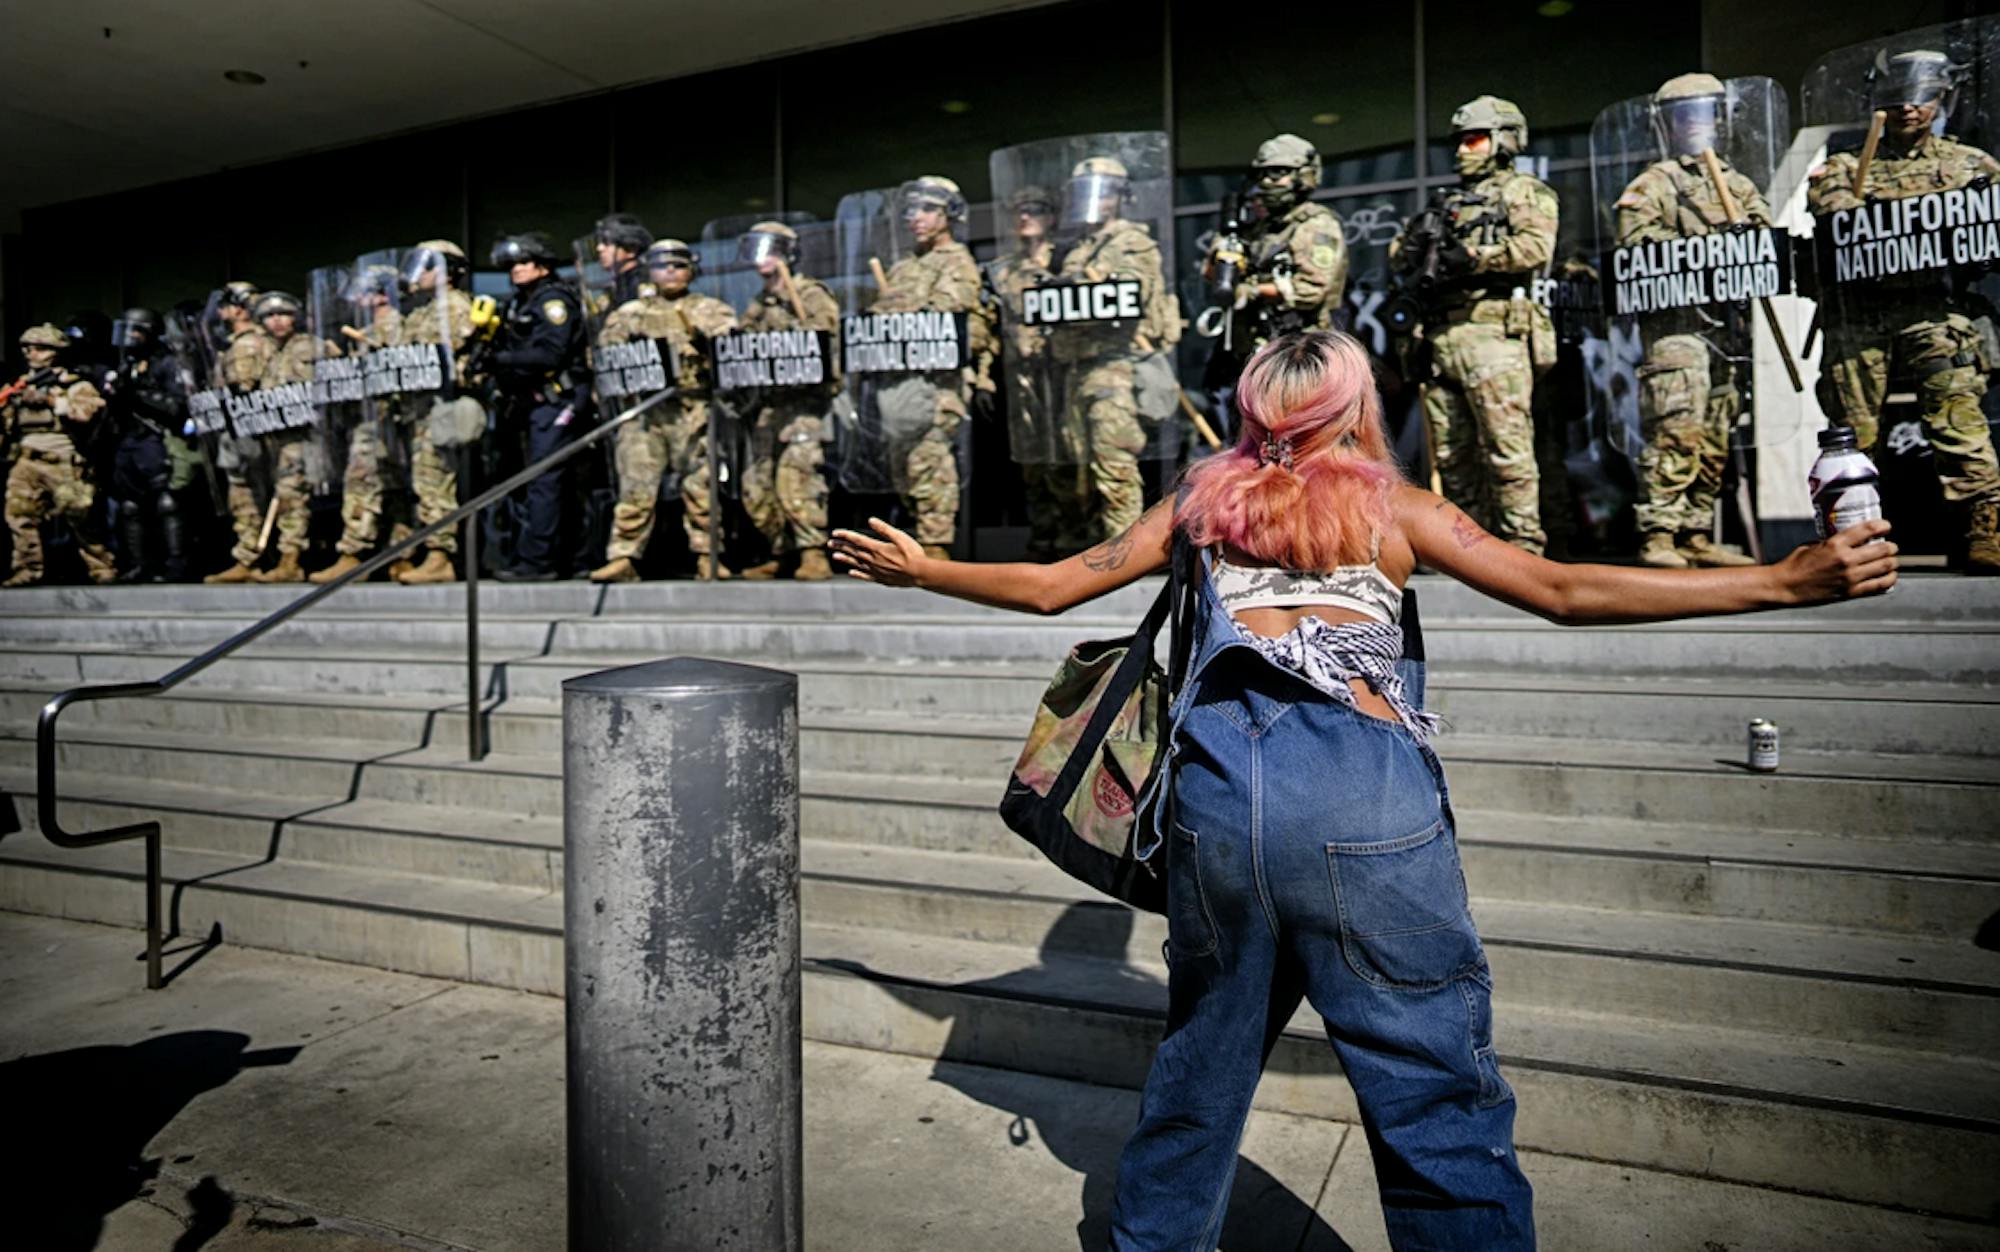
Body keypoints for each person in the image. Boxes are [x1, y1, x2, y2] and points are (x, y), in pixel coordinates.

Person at [830, 329, 1896, 1251]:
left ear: (1250, 409)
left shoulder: (1199, 504)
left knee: (1199, 1073)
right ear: (1352, 408)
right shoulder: (1394, 509)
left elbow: (1053, 584)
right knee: (1432, 1095)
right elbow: (1563, 591)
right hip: (1362, 809)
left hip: (1217, 810)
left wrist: (921, 567)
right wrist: (1778, 579)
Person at [1808, 50, 2000, 574]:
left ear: (1942, 101)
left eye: (1923, 98)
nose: (1909, 109)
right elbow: (1828, 211)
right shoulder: (1846, 168)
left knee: (1958, 414)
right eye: (1897, 99)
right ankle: (1851, 536)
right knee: (1852, 430)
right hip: (1862, 314)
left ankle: (1982, 525)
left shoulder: (1971, 166)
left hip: (1936, 310)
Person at [1391, 96, 1558, 555]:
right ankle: (1466, 547)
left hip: (1494, 335)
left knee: (1506, 446)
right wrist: (1415, 248)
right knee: (1452, 454)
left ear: (1503, 140)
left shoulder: (1523, 191)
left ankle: (1523, 546)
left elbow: (1535, 247)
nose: (1463, 150)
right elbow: (1399, 258)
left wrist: (1474, 257)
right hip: (1443, 337)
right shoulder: (1445, 203)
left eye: (1475, 139)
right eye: (1460, 141)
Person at [1616, 74, 1767, 569]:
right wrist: (1708, 247)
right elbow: (1635, 242)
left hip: (1729, 329)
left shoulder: (1738, 184)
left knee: (1718, 430)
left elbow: (1765, 242)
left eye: (1702, 114)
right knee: (1677, 428)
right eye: (1684, 116)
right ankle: (1659, 531)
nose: (1694, 124)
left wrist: (1747, 237)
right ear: (1669, 125)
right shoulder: (1654, 184)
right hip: (1676, 328)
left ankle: (1696, 531)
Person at [590, 238, 739, 582]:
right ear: (650, 271)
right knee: (635, 485)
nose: (670, 271)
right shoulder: (628, 314)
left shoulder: (712, 310)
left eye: (679, 264)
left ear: (692, 270)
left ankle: (708, 556)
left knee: (702, 486)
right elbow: (604, 362)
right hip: (645, 410)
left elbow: (734, 355)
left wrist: (708, 345)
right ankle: (624, 557)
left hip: (695, 407)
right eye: (662, 265)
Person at [1051, 156, 1179, 544]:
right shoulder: (1078, 248)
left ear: (1120, 195)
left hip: (1116, 366)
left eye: (1104, 190)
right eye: (1087, 191)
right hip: (1078, 366)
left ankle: (1124, 553)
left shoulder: (1132, 241)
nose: (1094, 199)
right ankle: (1094, 548)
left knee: (1115, 460)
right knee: (1081, 464)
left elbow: (1133, 294)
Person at [870, 175, 986, 560]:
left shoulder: (957, 261)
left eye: (927, 209)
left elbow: (946, 317)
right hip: (902, 383)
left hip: (937, 384)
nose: (915, 218)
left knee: (931, 459)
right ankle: (919, 539)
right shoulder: (904, 266)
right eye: (910, 210)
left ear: (950, 214)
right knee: (905, 466)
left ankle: (936, 546)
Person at [734, 221, 841, 580]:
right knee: (757, 484)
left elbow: (825, 343)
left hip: (805, 406)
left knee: (798, 476)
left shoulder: (809, 294)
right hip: (769, 406)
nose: (763, 257)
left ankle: (813, 553)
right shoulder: (757, 305)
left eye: (772, 249)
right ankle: (782, 550)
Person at [488, 232, 591, 581]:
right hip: (530, 405)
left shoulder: (552, 301)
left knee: (545, 481)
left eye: (524, 263)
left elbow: (552, 353)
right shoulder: (521, 302)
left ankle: (538, 563)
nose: (515, 270)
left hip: (557, 400)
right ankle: (571, 557)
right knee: (544, 482)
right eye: (512, 264)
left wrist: (500, 359)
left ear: (543, 266)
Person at [1208, 134, 1348, 359]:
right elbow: (1213, 275)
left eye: (1278, 173)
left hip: (1301, 350)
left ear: (1303, 176)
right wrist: (1223, 249)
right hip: (1253, 348)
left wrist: (1253, 291)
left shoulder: (1316, 225)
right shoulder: (1257, 229)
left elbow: (1312, 290)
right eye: (1262, 174)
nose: (1267, 182)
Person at [990, 186, 1072, 559]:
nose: (1026, 217)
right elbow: (990, 325)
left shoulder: (1067, 260)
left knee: (1071, 457)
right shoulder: (1004, 269)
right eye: (1020, 210)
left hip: (1065, 373)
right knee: (1033, 461)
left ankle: (1075, 535)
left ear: (1052, 217)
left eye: (1036, 210)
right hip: (1023, 377)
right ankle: (1044, 536)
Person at [312, 265, 406, 584]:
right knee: (388, 485)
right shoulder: (366, 327)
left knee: (362, 481)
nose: (359, 299)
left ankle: (355, 553)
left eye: (366, 291)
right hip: (372, 417)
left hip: (384, 419)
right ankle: (396, 554)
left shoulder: (392, 325)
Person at [3, 324, 116, 587]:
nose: (32, 354)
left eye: (40, 348)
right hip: (27, 459)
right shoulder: (20, 385)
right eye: (28, 349)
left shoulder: (74, 384)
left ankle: (101, 566)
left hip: (62, 459)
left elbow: (87, 411)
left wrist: (53, 402)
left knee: (80, 517)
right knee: (19, 516)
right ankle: (27, 569)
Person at [393, 240, 476, 585]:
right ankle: (426, 550)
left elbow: (451, 357)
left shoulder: (454, 306)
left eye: (427, 266)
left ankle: (441, 555)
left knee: (436, 479)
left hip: (442, 406)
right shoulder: (420, 311)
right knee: (424, 481)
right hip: (418, 410)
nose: (419, 274)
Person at [104, 308, 189, 582]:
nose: (130, 338)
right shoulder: (126, 364)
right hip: (130, 440)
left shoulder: (167, 363)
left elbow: (177, 406)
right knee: (130, 506)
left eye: (136, 331)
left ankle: (176, 564)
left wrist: (139, 394)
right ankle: (140, 563)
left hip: (156, 438)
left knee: (167, 502)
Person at [203, 280, 276, 584]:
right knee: (241, 493)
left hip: (251, 430)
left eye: (226, 305)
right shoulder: (236, 342)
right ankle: (250, 554)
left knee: (250, 492)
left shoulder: (250, 342)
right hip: (235, 428)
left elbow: (246, 388)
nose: (220, 312)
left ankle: (253, 555)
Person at [245, 290, 316, 583]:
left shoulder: (311, 347)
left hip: (306, 437)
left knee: (291, 495)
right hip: (276, 438)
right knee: (282, 494)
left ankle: (291, 559)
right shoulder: (270, 353)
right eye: (269, 316)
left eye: (283, 314)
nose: (276, 321)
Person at [594, 212, 654, 309]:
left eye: (607, 243)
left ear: (631, 249)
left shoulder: (643, 284)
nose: (599, 248)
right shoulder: (617, 285)